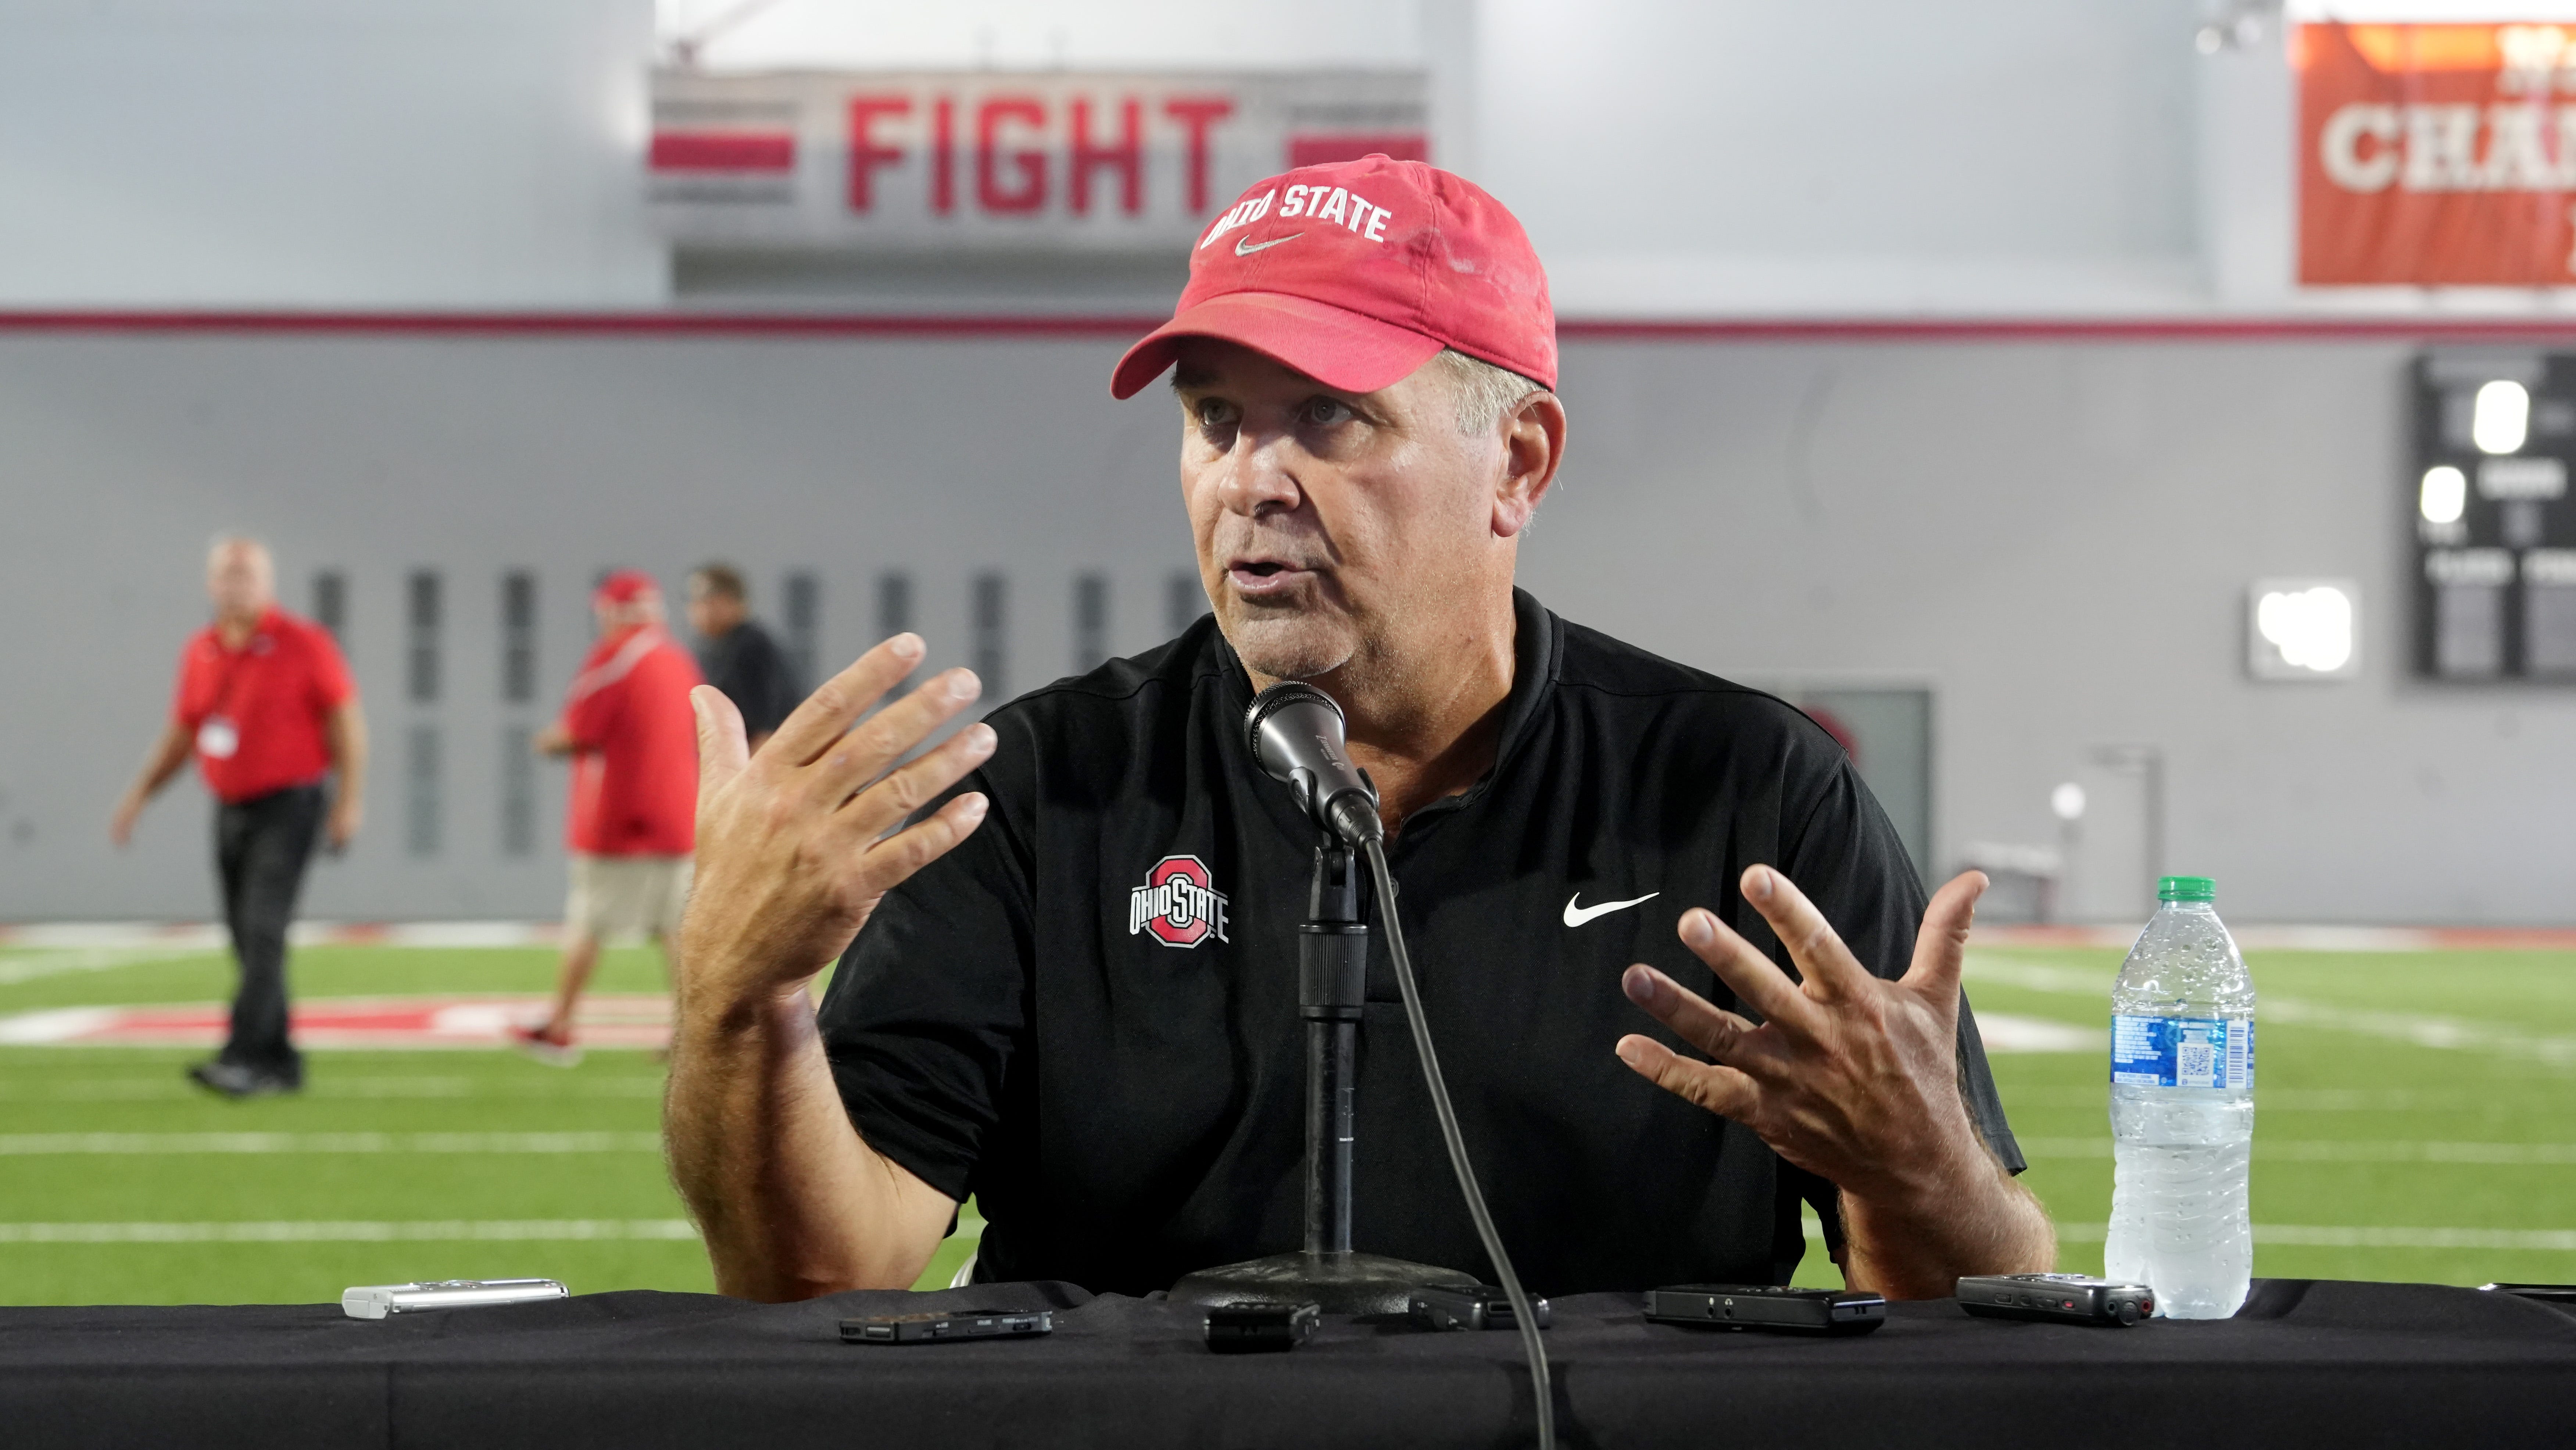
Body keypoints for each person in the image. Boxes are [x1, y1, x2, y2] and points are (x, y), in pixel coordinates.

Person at [667, 156, 2056, 1301]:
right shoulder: (1039, 789)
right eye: (1216, 418)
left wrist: (1921, 1169)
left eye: (1329, 417)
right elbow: (816, 1280)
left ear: (1515, 463)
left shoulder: (1746, 793)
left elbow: (1980, 1306)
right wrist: (741, 1005)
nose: (1252, 479)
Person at [111, 536, 366, 1098]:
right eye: (228, 575)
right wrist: (141, 794)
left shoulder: (304, 644)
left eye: (248, 575)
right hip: (231, 807)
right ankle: (280, 1061)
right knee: (245, 939)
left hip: (291, 804)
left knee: (263, 929)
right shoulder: (202, 650)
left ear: (268, 583)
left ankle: (243, 1056)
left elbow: (347, 721)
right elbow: (184, 733)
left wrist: (349, 799)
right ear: (211, 585)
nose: (238, 585)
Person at [511, 570, 702, 1065]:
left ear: (614, 611)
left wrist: (545, 741)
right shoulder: (680, 662)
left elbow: (576, 731)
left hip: (619, 822)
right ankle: (692, 1034)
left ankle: (560, 1026)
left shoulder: (614, 660)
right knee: (675, 929)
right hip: (679, 817)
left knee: (588, 923)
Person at [686, 563, 801, 753]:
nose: (694, 610)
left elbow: (766, 729)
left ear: (728, 602)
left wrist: (748, 775)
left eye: (703, 601)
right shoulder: (718, 648)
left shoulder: (752, 646)